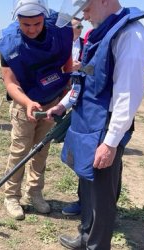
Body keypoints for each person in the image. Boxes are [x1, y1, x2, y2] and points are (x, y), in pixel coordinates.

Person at [48, 0, 144, 248]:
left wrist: (111, 142)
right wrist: (64, 104)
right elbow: (83, 80)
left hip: (105, 126)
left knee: (102, 194)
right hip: (86, 122)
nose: (83, 13)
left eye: (86, 6)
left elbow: (128, 93)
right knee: (86, 184)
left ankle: (97, 245)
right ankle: (85, 237)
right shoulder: (97, 33)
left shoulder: (131, 35)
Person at [0, 0, 73, 220]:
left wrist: (65, 85)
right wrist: (28, 103)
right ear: (17, 20)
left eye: (37, 24)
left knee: (41, 149)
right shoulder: (9, 44)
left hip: (52, 101)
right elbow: (10, 83)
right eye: (26, 24)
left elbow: (66, 59)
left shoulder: (59, 31)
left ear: (44, 18)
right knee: (20, 150)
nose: (31, 29)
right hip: (24, 105)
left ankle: (35, 192)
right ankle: (11, 196)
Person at [61, 18, 84, 217]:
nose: (79, 28)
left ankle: (94, 208)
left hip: (80, 91)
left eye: (80, 26)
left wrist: (80, 67)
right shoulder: (61, 43)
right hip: (65, 87)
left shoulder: (87, 44)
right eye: (77, 25)